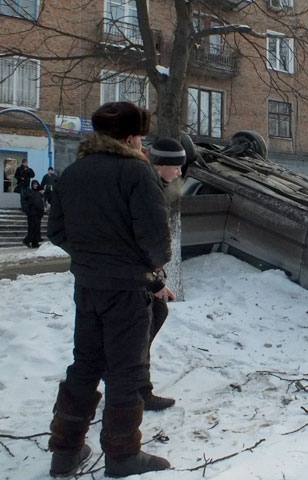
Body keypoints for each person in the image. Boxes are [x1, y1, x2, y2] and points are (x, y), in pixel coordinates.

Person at [46, 102, 172, 478]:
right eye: (141, 138)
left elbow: (56, 231)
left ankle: (65, 453)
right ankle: (122, 455)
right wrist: (145, 266)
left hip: (87, 287)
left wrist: (90, 258)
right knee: (125, 372)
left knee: (84, 365)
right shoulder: (137, 172)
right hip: (127, 290)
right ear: (131, 137)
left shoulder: (73, 172)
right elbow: (157, 242)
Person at [138, 138, 187, 412]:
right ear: (161, 165)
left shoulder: (152, 185)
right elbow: (148, 242)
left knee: (156, 314)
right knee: (140, 330)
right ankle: (137, 393)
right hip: (134, 278)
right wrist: (154, 281)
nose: (179, 173)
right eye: (176, 167)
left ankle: (136, 390)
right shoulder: (148, 190)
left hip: (131, 276)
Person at [22, 179, 45, 248]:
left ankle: (35, 243)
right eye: (34, 184)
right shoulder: (32, 193)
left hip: (37, 213)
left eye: (36, 184)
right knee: (33, 228)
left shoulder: (37, 193)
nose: (35, 185)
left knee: (37, 228)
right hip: (32, 213)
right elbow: (36, 203)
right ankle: (27, 240)